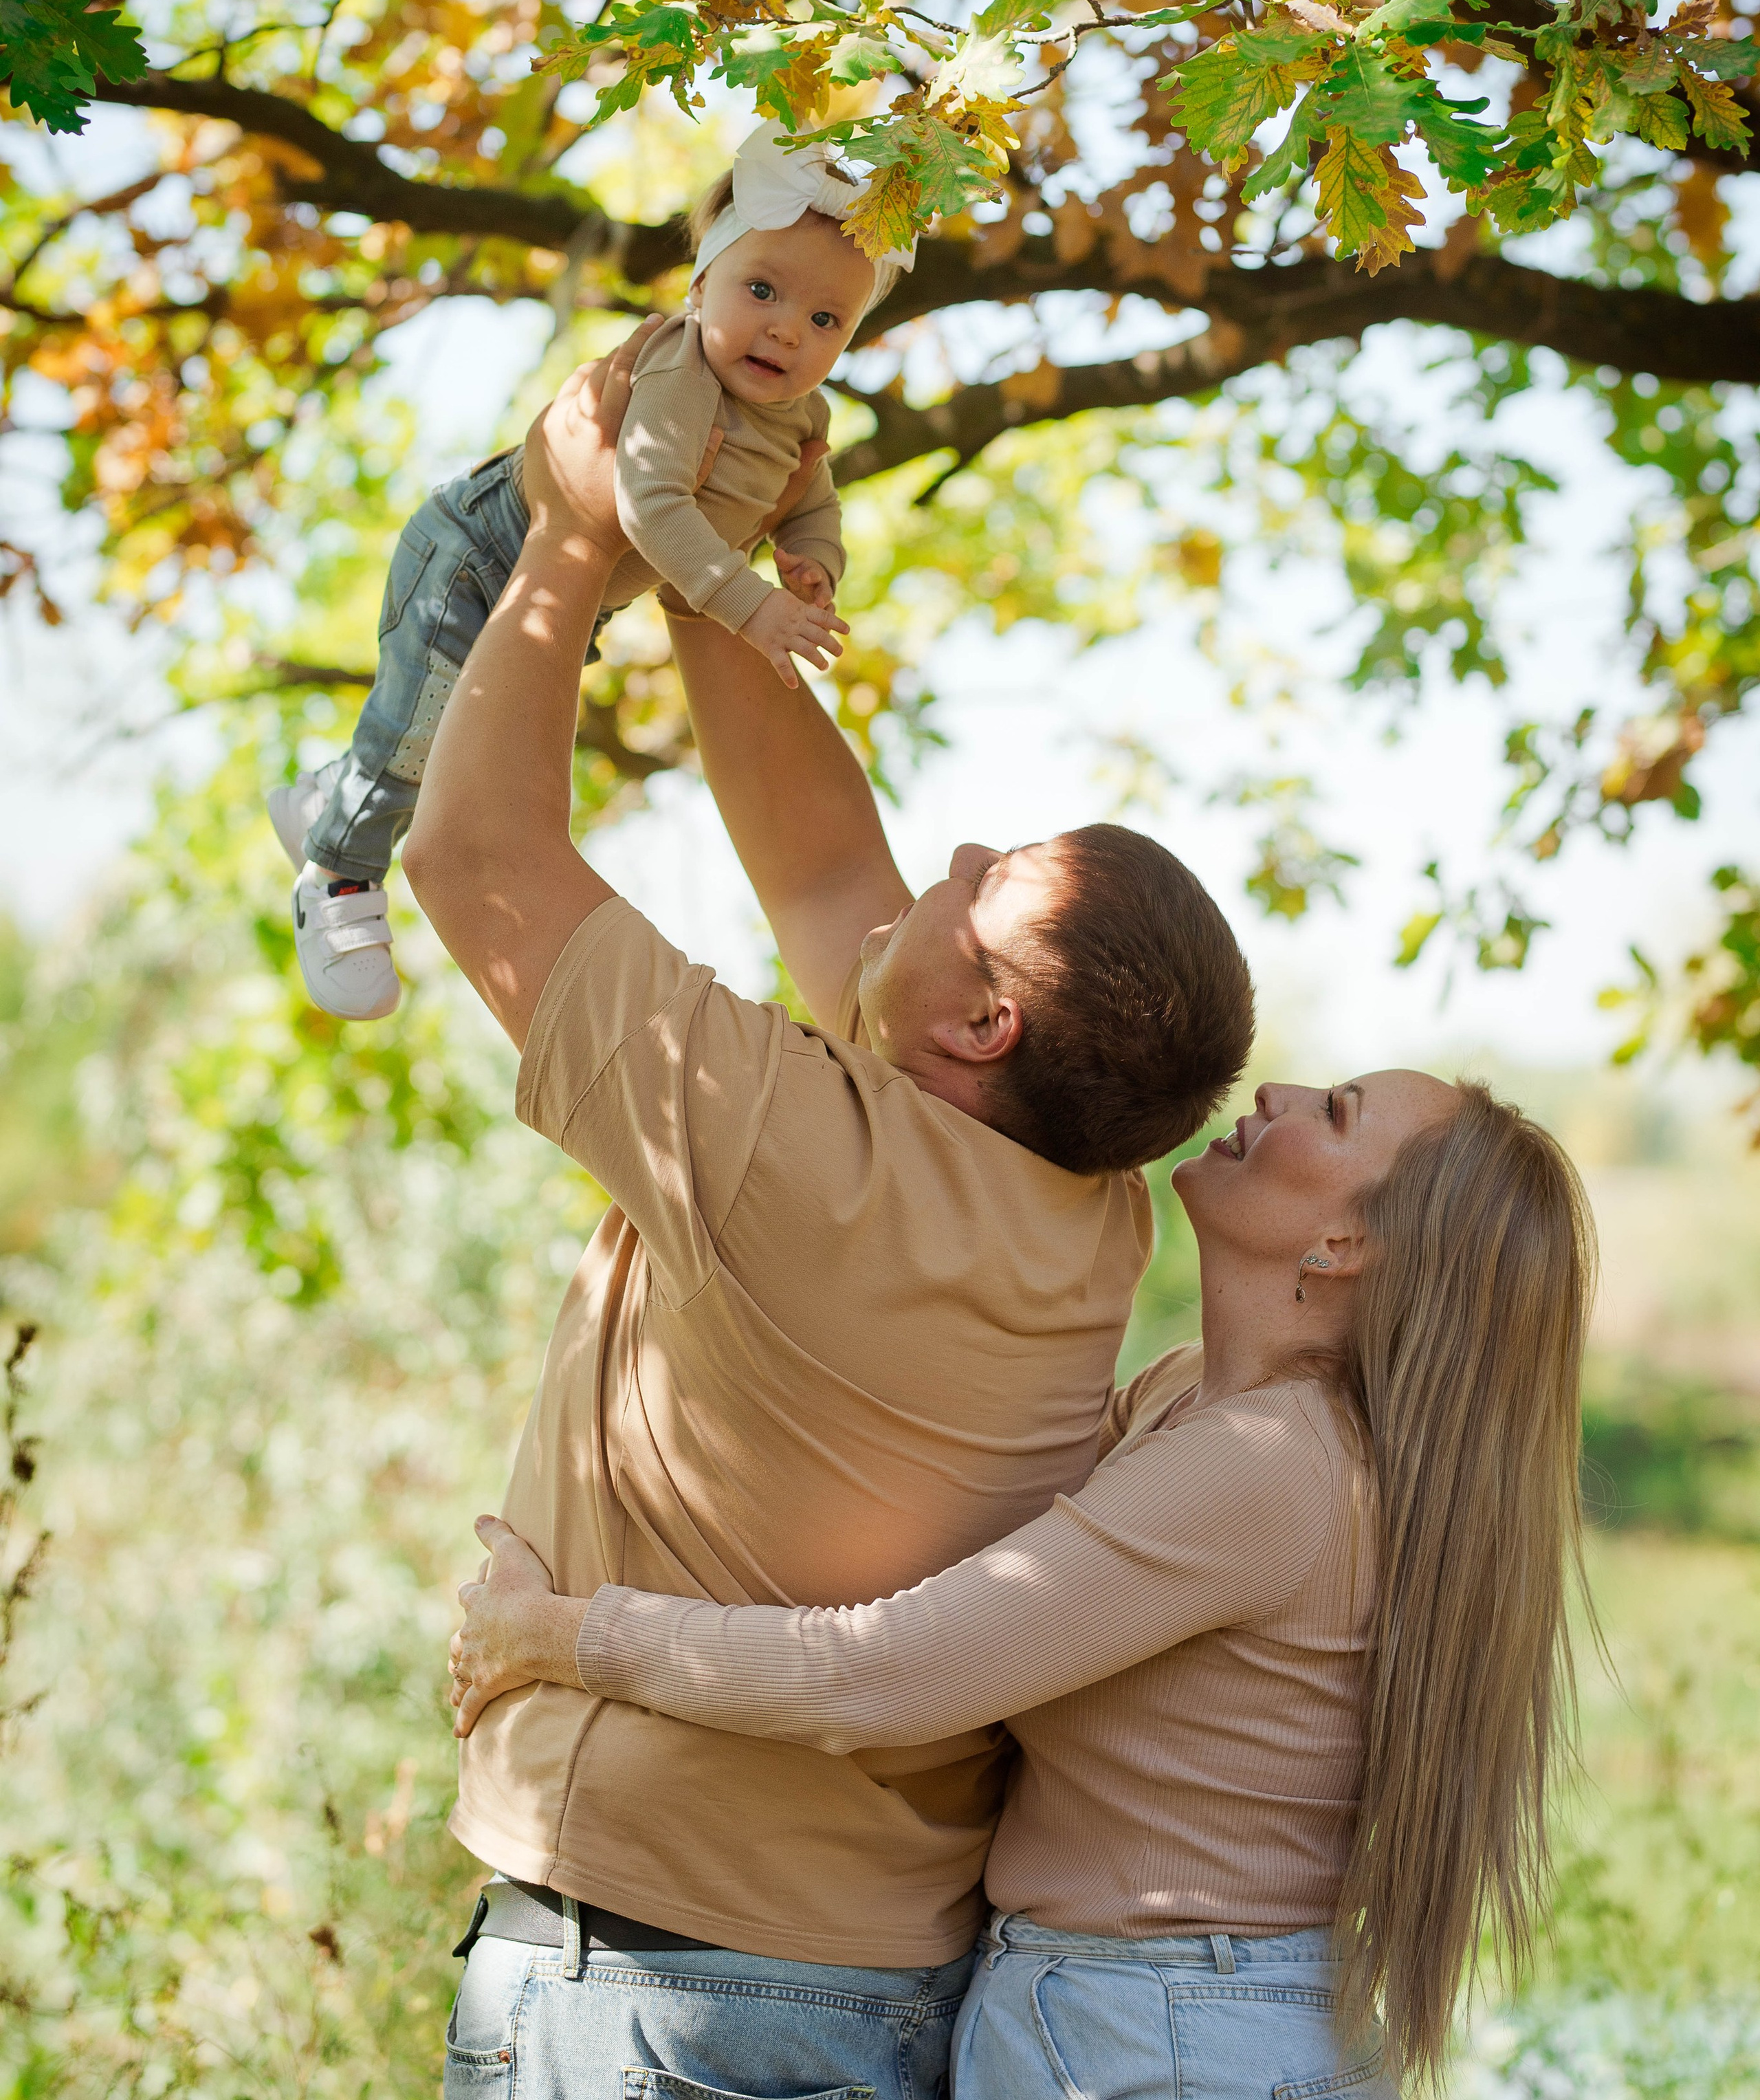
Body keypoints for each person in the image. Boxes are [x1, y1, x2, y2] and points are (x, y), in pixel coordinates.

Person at [397, 309, 1258, 2099]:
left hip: (645, 1988)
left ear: (982, 1021)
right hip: (860, 1974)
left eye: (986, 879)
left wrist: (574, 535)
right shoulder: (1074, 1210)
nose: (940, 861)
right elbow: (817, 857)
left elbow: (471, 857)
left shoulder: (798, 1154)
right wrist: (718, 529)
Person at [450, 1070, 1596, 2099]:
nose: (1280, 1092)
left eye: (1336, 1114)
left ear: (1346, 1245)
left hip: (1160, 2041)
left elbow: (880, 1677)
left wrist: (553, 1636)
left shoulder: (1273, 1469)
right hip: (1162, 2021)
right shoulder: (1190, 1398)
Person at [266, 122, 912, 1020]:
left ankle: (333, 793)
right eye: (761, 288)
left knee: (458, 741)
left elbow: (812, 506)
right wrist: (748, 606)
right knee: (425, 734)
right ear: (698, 286)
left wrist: (812, 565)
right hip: (479, 557)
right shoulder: (683, 370)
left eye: (824, 320)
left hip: (573, 592)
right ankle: (337, 873)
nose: (785, 328)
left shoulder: (805, 415)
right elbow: (644, 504)